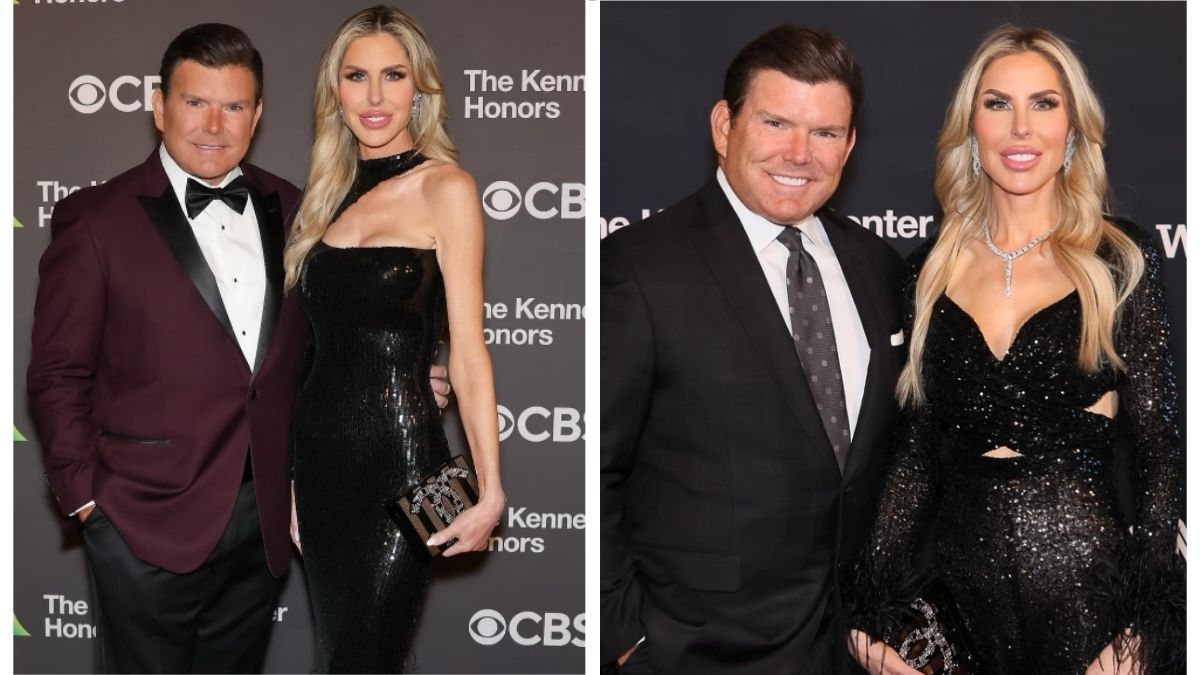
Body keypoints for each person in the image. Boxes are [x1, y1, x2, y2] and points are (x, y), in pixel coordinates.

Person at [26, 23, 448, 674]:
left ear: (257, 115)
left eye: (233, 106)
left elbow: (328, 335)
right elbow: (57, 371)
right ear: (159, 105)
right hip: (141, 519)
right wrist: (88, 500)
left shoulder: (299, 208)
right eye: (196, 103)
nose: (214, 125)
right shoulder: (97, 220)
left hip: (265, 522)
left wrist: (415, 370)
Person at [846, 26, 1184, 675]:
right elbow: (914, 457)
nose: (1021, 127)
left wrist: (1143, 627)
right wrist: (868, 617)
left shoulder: (1120, 261)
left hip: (1091, 607)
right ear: (970, 129)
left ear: (1075, 129)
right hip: (958, 604)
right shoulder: (929, 272)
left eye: (1045, 103)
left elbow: (1158, 450)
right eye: (998, 103)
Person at [601, 25, 907, 674]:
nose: (799, 152)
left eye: (825, 133)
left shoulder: (877, 267)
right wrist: (629, 640)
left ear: (850, 144)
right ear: (724, 125)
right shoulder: (640, 266)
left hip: (852, 651)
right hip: (696, 652)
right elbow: (591, 468)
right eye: (775, 122)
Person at [283, 6, 505, 673]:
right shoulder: (324, 200)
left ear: (420, 89)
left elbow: (467, 349)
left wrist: (491, 488)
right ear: (336, 93)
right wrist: (291, 481)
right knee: (342, 657)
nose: (375, 96)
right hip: (320, 472)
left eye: (393, 75)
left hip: (404, 464)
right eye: (356, 77)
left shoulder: (446, 188)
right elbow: (313, 351)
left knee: (364, 658)